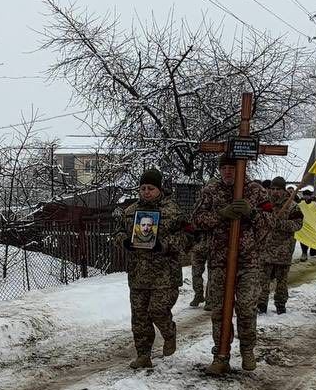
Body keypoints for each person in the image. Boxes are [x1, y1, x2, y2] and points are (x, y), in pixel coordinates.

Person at [191, 156, 274, 375]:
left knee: (246, 308)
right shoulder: (210, 191)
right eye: (224, 168)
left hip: (248, 261)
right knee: (219, 310)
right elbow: (196, 220)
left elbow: (270, 223)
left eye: (232, 168)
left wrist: (252, 212)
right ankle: (220, 355)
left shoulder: (256, 191)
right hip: (219, 260)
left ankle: (247, 350)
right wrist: (220, 215)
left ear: (241, 168)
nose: (228, 172)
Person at [114, 169, 184, 369]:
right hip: (138, 273)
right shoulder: (130, 212)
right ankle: (143, 355)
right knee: (140, 317)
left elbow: (188, 237)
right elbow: (118, 232)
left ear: (159, 189)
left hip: (165, 274)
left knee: (158, 310)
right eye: (143, 188)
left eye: (151, 188)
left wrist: (164, 244)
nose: (146, 192)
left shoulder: (173, 211)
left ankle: (169, 332)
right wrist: (124, 241)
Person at [258, 177, 303, 315]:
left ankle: (280, 304)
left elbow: (298, 224)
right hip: (265, 248)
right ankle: (261, 304)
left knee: (281, 281)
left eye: (278, 189)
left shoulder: (293, 206)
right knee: (262, 279)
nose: (275, 192)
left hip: (283, 249)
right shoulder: (265, 205)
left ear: (284, 191)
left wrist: (280, 224)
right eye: (273, 189)